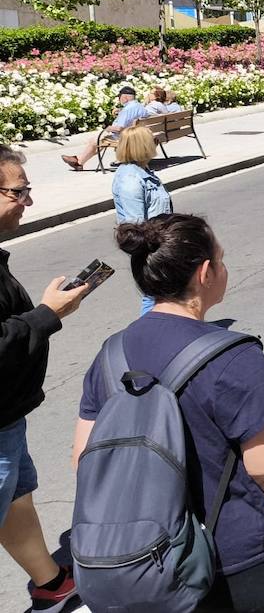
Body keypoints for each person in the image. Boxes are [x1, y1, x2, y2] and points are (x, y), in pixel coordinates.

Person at [76, 213, 264, 610]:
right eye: (221, 259)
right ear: (205, 273)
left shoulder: (111, 355)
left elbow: (85, 458)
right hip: (240, 562)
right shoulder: (233, 356)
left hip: (157, 568)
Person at [0, 145, 86, 610]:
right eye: (19, 191)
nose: (28, 201)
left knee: (15, 500)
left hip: (8, 416)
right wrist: (47, 314)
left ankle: (51, 582)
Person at [112, 125, 173, 316]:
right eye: (151, 140)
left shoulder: (141, 171)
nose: (155, 143)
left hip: (158, 242)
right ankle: (149, 336)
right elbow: (135, 224)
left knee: (163, 293)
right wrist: (154, 247)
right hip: (150, 247)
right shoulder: (131, 179)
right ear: (142, 146)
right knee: (154, 294)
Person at [63, 85, 149, 171]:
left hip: (126, 138)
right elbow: (132, 117)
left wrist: (107, 128)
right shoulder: (140, 106)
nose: (119, 100)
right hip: (139, 136)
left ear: (125, 97)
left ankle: (79, 161)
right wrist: (120, 112)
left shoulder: (127, 110)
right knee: (98, 142)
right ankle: (78, 161)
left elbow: (119, 129)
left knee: (94, 141)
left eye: (120, 97)